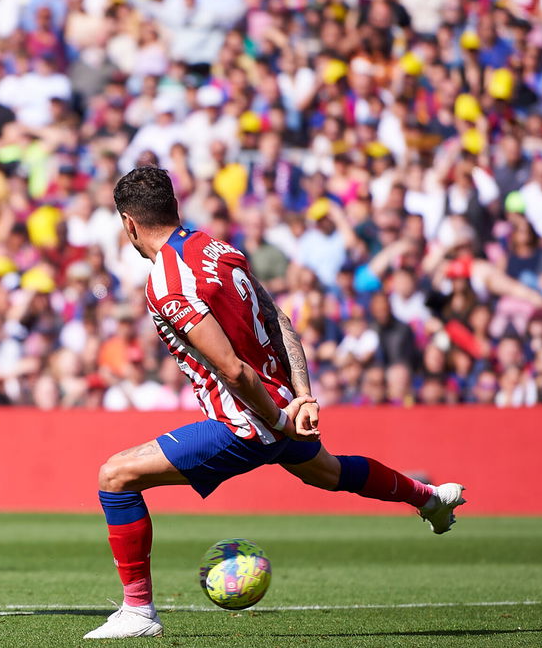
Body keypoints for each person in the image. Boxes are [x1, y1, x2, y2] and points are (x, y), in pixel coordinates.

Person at [84, 166, 466, 640]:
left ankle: (138, 613)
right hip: (280, 404)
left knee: (115, 477)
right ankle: (429, 498)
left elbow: (234, 371)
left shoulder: (167, 280)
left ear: (129, 224)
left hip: (248, 420)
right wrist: (302, 394)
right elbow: (280, 318)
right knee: (330, 472)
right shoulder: (219, 250)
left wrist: (281, 418)